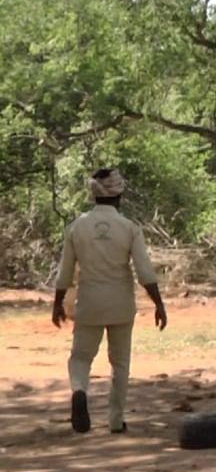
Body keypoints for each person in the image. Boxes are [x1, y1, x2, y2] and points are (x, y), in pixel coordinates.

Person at [51, 168, 168, 434]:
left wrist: (57, 303)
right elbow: (144, 272)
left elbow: (65, 272)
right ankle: (115, 421)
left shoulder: (76, 227)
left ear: (94, 195)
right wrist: (159, 304)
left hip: (88, 302)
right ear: (119, 194)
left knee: (80, 357)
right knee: (120, 362)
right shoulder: (129, 228)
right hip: (120, 304)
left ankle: (79, 390)